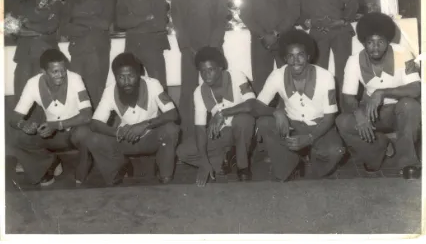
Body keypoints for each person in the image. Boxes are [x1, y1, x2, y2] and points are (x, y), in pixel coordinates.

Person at [336, 13, 421, 175]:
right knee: (342, 122)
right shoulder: (354, 61)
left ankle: (408, 163)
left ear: (388, 41)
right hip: (372, 113)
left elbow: (416, 88)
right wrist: (359, 115)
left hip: (399, 113)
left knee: (410, 105)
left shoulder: (403, 53)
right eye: (370, 42)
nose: (375, 47)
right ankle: (377, 149)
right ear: (363, 43)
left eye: (380, 42)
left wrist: (382, 92)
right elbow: (348, 96)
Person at [255, 29, 345, 181]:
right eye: (290, 56)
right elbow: (258, 106)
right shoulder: (277, 75)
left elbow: (330, 117)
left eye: (300, 55)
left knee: (335, 150)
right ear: (284, 58)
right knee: (264, 122)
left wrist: (309, 138)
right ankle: (289, 164)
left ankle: (316, 169)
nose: (295, 61)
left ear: (309, 56)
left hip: (319, 125)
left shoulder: (325, 77)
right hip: (292, 124)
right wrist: (276, 112)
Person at [86, 53, 180, 186]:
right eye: (121, 77)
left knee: (171, 129)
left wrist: (144, 125)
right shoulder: (109, 91)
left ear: (139, 74)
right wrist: (118, 132)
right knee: (93, 138)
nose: (126, 81)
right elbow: (94, 124)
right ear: (115, 77)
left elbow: (173, 114)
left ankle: (164, 172)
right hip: (125, 140)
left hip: (151, 138)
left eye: (131, 76)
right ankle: (118, 168)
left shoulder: (153, 85)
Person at [171, 0, 230, 140]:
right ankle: (189, 136)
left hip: (212, 47)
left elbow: (221, 15)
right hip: (189, 50)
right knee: (188, 91)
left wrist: (211, 48)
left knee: (218, 87)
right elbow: (177, 19)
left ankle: (224, 133)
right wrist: (187, 46)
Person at [8, 49, 93, 186]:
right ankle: (49, 163)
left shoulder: (75, 79)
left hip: (74, 131)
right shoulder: (32, 84)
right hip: (53, 135)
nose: (61, 75)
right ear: (43, 71)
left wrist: (56, 125)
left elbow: (87, 115)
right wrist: (23, 125)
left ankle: (85, 161)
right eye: (55, 72)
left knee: (84, 132)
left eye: (63, 70)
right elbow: (14, 118)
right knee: (15, 135)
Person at [177, 47, 256, 187]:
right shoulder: (199, 92)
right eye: (202, 71)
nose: (206, 75)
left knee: (243, 120)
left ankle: (242, 167)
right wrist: (203, 161)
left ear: (220, 67)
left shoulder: (237, 76)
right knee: (183, 152)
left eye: (211, 69)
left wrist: (222, 113)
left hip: (244, 128)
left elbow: (251, 105)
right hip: (222, 133)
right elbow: (200, 129)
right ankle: (225, 159)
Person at [297, 0, 359, 98]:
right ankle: (325, 110)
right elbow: (297, 11)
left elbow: (352, 2)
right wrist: (306, 22)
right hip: (318, 34)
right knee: (319, 74)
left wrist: (343, 20)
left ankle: (345, 111)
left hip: (340, 31)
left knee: (344, 72)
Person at [240, 0, 300, 94]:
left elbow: (294, 11)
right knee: (262, 85)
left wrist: (276, 33)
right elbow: (245, 13)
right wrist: (263, 35)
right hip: (260, 41)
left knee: (290, 81)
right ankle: (265, 117)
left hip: (285, 39)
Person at [60, 0, 115, 108]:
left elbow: (104, 24)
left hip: (98, 52)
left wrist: (79, 20)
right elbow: (64, 28)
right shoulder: (71, 2)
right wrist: (90, 22)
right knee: (79, 93)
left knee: (97, 93)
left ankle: (98, 126)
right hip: (78, 53)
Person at [11, 0, 62, 103]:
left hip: (46, 57)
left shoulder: (55, 3)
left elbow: (50, 28)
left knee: (45, 98)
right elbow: (14, 31)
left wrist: (27, 25)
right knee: (21, 97)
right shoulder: (21, 5)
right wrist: (39, 31)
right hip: (24, 56)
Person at [116, 0, 170, 88]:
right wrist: (146, 17)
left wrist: (133, 21)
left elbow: (160, 24)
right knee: (134, 87)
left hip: (154, 49)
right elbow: (120, 23)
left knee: (158, 87)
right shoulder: (123, 0)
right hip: (132, 49)